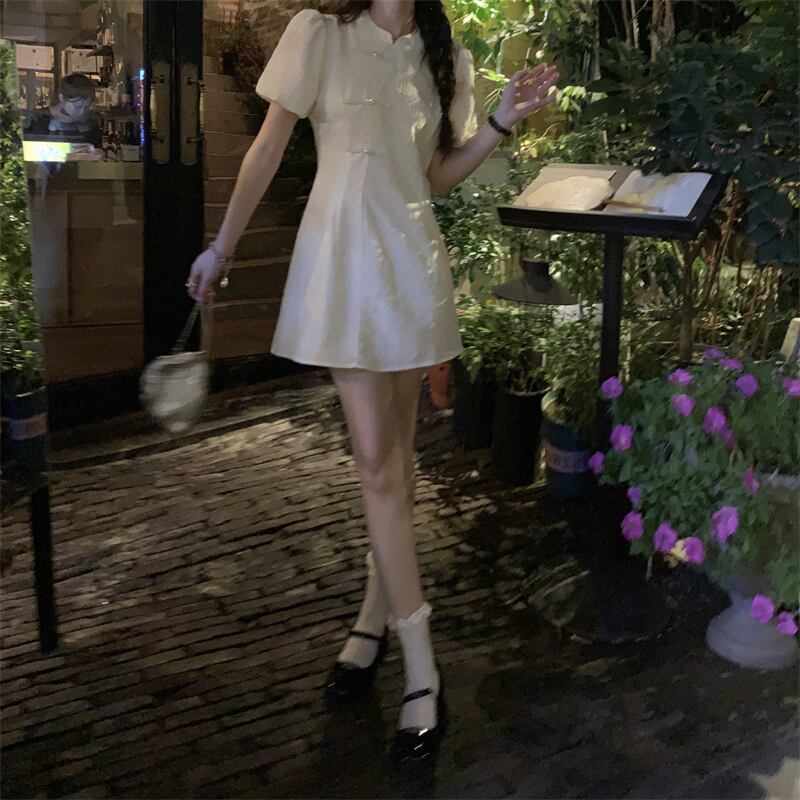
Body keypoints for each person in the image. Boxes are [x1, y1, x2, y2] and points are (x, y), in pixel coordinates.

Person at [186, 0, 558, 764]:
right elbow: (267, 146)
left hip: (412, 266)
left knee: (400, 463)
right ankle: (422, 667)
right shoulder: (319, 35)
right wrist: (222, 247)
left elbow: (437, 177)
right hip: (342, 264)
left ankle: (369, 620)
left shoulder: (444, 56)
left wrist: (503, 118)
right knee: (377, 464)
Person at [25, 73, 102, 147]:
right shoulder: (36, 120)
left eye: (86, 107)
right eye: (77, 107)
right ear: (61, 98)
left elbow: (97, 151)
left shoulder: (91, 126)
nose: (81, 112)